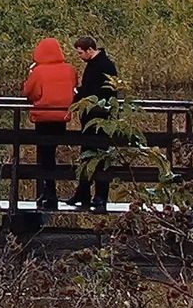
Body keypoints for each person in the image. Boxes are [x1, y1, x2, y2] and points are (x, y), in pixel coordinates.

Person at [22, 35, 79, 216]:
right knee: (51, 153)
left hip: (43, 119)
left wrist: (31, 74)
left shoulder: (38, 72)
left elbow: (29, 93)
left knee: (45, 155)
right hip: (61, 118)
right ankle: (51, 191)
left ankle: (49, 192)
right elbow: (74, 87)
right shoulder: (70, 70)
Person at [72, 35, 121, 213]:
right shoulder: (98, 65)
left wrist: (77, 95)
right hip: (93, 118)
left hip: (99, 119)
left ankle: (99, 196)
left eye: (80, 53)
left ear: (89, 50)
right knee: (87, 155)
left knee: (99, 156)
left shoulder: (103, 66)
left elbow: (97, 91)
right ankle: (83, 193)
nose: (79, 56)